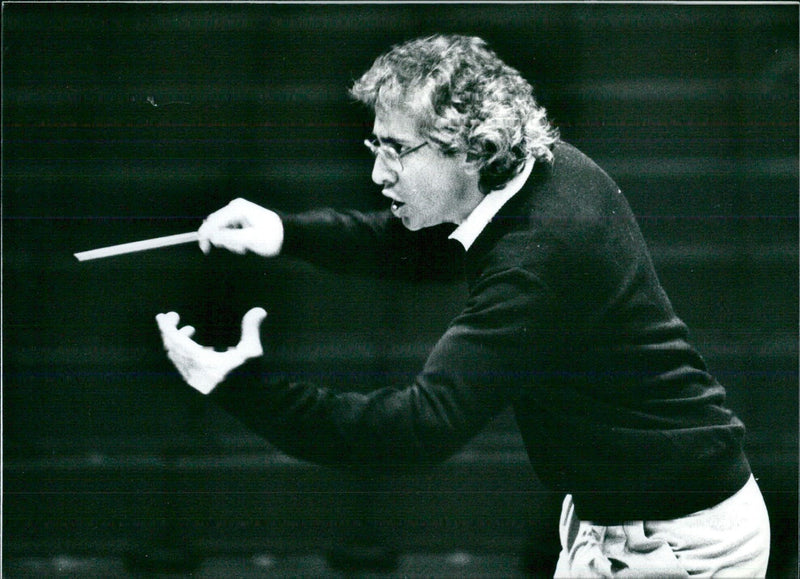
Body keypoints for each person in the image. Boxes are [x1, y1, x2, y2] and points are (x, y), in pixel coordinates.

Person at [156, 35, 770, 577]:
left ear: (470, 148)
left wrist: (239, 386)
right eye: (375, 144)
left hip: (676, 545)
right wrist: (285, 231)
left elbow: (416, 429)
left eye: (397, 149)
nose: (377, 173)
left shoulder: (537, 259)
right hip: (639, 521)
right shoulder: (540, 174)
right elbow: (420, 249)